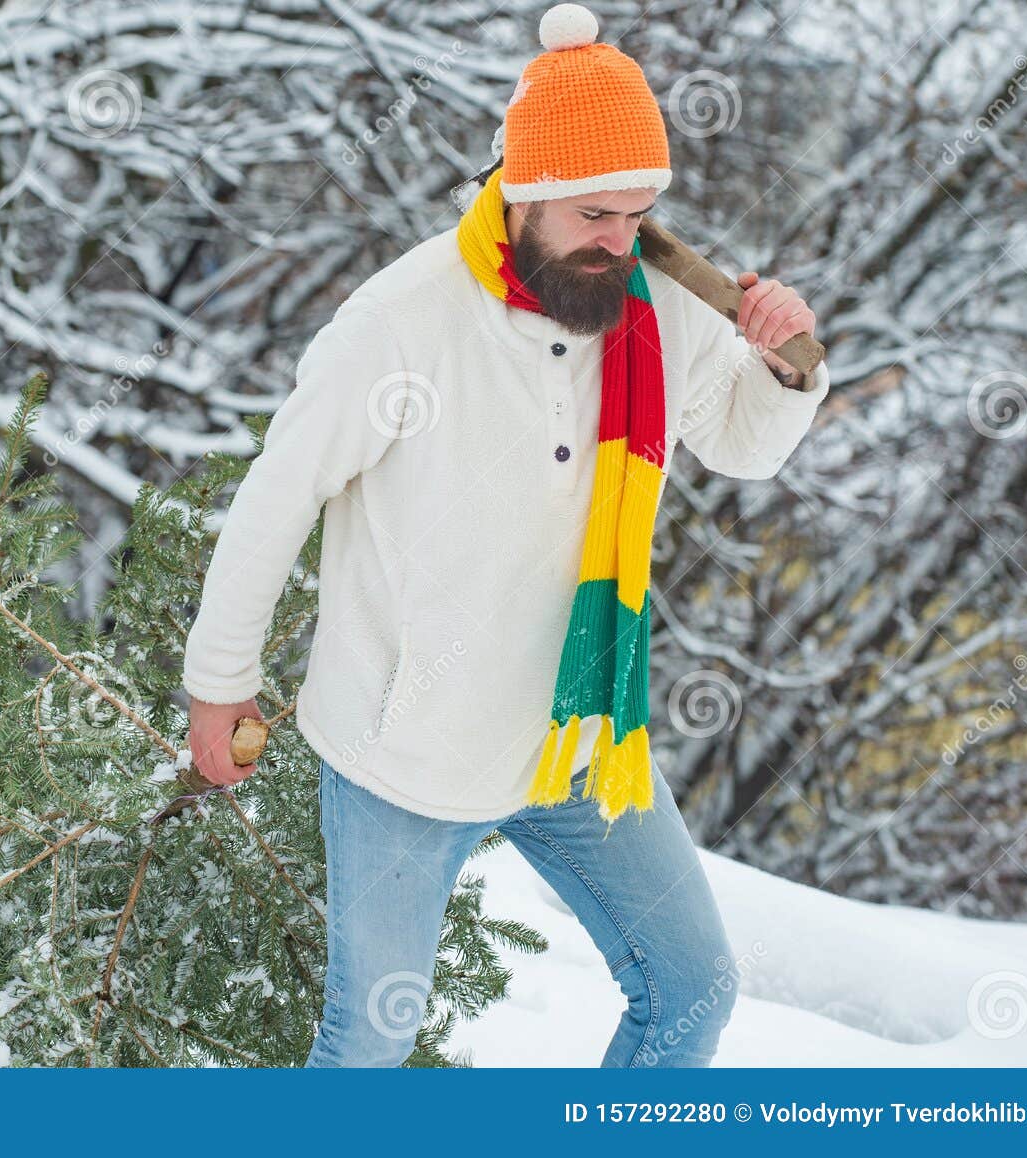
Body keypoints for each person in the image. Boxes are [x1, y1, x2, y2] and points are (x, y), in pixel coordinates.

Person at [182, 2, 830, 1067]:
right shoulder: (403, 322)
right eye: (591, 215)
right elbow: (277, 496)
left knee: (692, 992)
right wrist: (220, 685)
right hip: (407, 752)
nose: (616, 242)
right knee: (368, 1045)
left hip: (577, 739)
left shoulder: (651, 303)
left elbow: (738, 443)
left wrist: (784, 366)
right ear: (522, 193)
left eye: (636, 216)